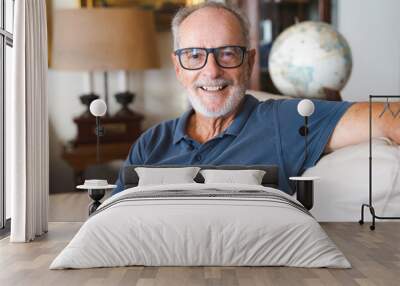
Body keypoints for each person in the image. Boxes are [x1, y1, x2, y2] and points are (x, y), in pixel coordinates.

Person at [112, 2, 399, 196]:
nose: (211, 71)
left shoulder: (286, 121)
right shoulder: (151, 144)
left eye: (227, 53)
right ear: (178, 68)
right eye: (195, 55)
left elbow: (391, 118)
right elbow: (111, 223)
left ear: (249, 63)